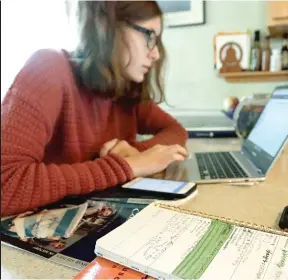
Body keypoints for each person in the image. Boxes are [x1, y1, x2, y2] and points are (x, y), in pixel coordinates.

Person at [1, 1, 188, 217]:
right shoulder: (49, 68)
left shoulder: (126, 89)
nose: (155, 54)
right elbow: (6, 185)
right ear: (109, 27)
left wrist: (137, 152)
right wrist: (126, 166)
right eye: (149, 36)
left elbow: (176, 131)